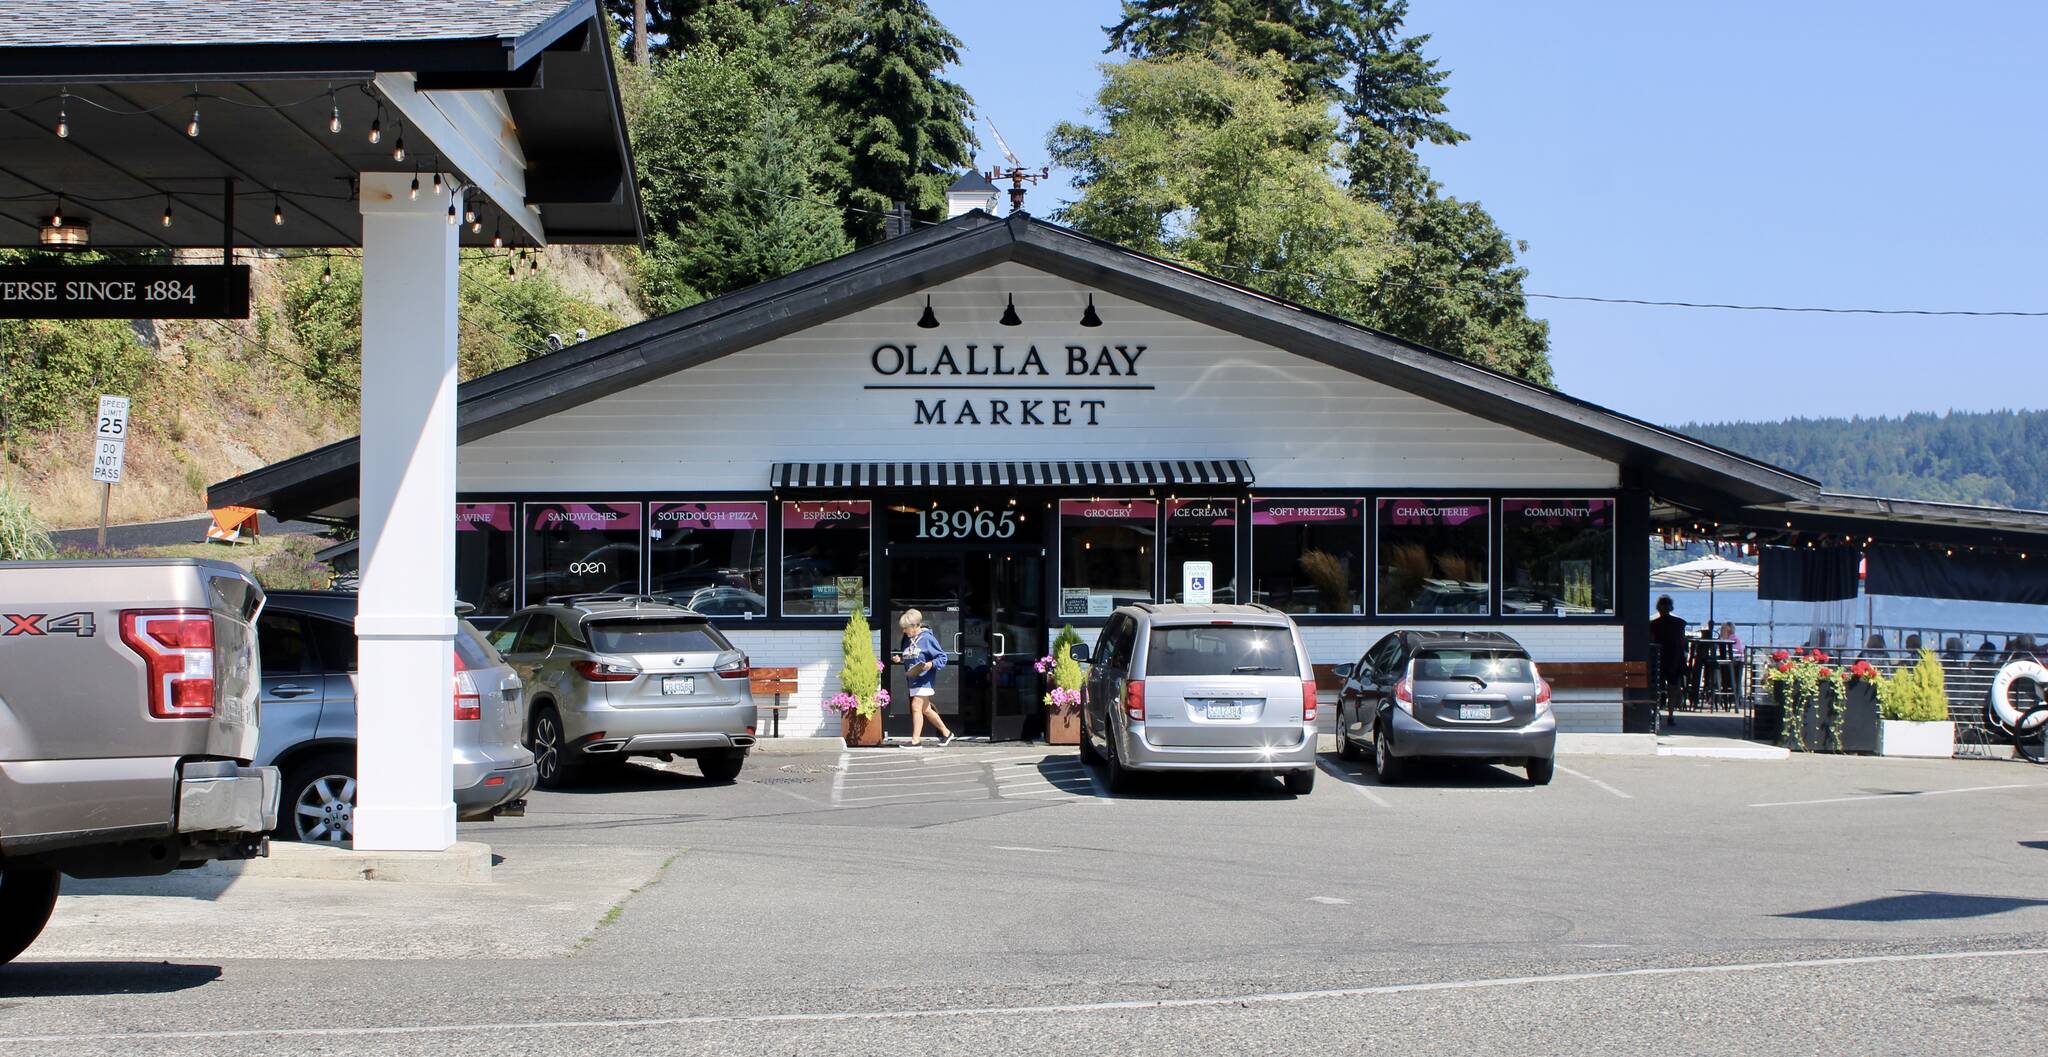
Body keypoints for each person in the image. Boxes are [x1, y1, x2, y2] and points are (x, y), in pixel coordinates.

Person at [892, 609, 953, 748]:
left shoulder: (927, 639)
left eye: (905, 628)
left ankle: (915, 741)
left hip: (924, 680)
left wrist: (930, 664)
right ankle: (946, 732)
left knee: (915, 706)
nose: (903, 631)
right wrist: (900, 659)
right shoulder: (908, 639)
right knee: (926, 709)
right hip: (913, 680)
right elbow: (912, 657)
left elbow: (942, 658)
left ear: (914, 626)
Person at [1650, 596, 1689, 709]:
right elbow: (1682, 642)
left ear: (1658, 608)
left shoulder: (1653, 625)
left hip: (1659, 660)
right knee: (1673, 685)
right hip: (1675, 659)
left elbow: (1651, 643)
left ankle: (1656, 708)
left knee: (1655, 685)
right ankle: (1671, 712)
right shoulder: (1680, 623)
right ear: (1671, 608)